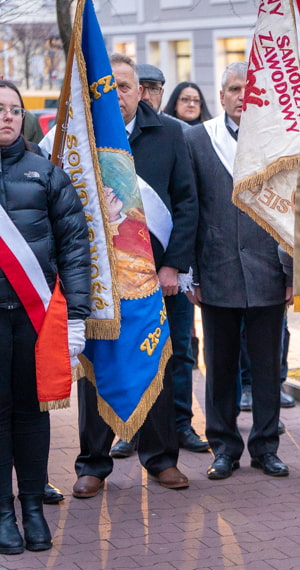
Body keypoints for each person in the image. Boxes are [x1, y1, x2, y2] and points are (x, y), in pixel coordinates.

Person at [73, 54, 198, 498]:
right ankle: (93, 463)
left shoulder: (168, 133)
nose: (116, 95)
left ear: (140, 91)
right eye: (107, 88)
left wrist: (172, 265)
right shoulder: (79, 136)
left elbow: (186, 203)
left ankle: (161, 459)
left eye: (123, 87)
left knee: (158, 366)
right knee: (97, 369)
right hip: (99, 280)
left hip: (153, 278)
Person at [186, 62, 290, 480]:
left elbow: (292, 212)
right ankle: (224, 447)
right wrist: (191, 269)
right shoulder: (197, 139)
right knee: (221, 366)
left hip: (268, 270)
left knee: (267, 367)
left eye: (248, 88)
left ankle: (266, 447)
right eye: (233, 88)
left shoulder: (280, 140)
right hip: (216, 269)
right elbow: (189, 207)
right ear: (223, 94)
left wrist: (292, 274)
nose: (241, 95)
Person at [0, 79, 89, 553]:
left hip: (36, 319)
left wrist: (76, 316)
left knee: (34, 415)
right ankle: (2, 513)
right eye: (0, 109)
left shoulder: (47, 174)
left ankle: (32, 506)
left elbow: (76, 248)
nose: (8, 116)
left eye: (14, 110)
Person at [137, 62, 208, 454]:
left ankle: (181, 423)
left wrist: (180, 265)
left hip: (172, 268)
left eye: (153, 87)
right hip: (126, 272)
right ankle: (129, 429)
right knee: (131, 349)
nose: (146, 94)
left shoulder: (177, 132)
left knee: (178, 349)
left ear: (162, 92)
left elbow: (190, 203)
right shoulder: (112, 134)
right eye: (139, 86)